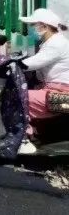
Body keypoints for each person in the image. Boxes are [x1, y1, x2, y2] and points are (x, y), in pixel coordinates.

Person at [18, 8, 69, 154]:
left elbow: (30, 64)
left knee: (17, 98)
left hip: (62, 94)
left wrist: (8, 64)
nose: (31, 28)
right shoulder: (50, 42)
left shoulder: (56, 44)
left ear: (44, 27)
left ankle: (24, 140)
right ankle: (36, 134)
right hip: (55, 89)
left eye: (33, 25)